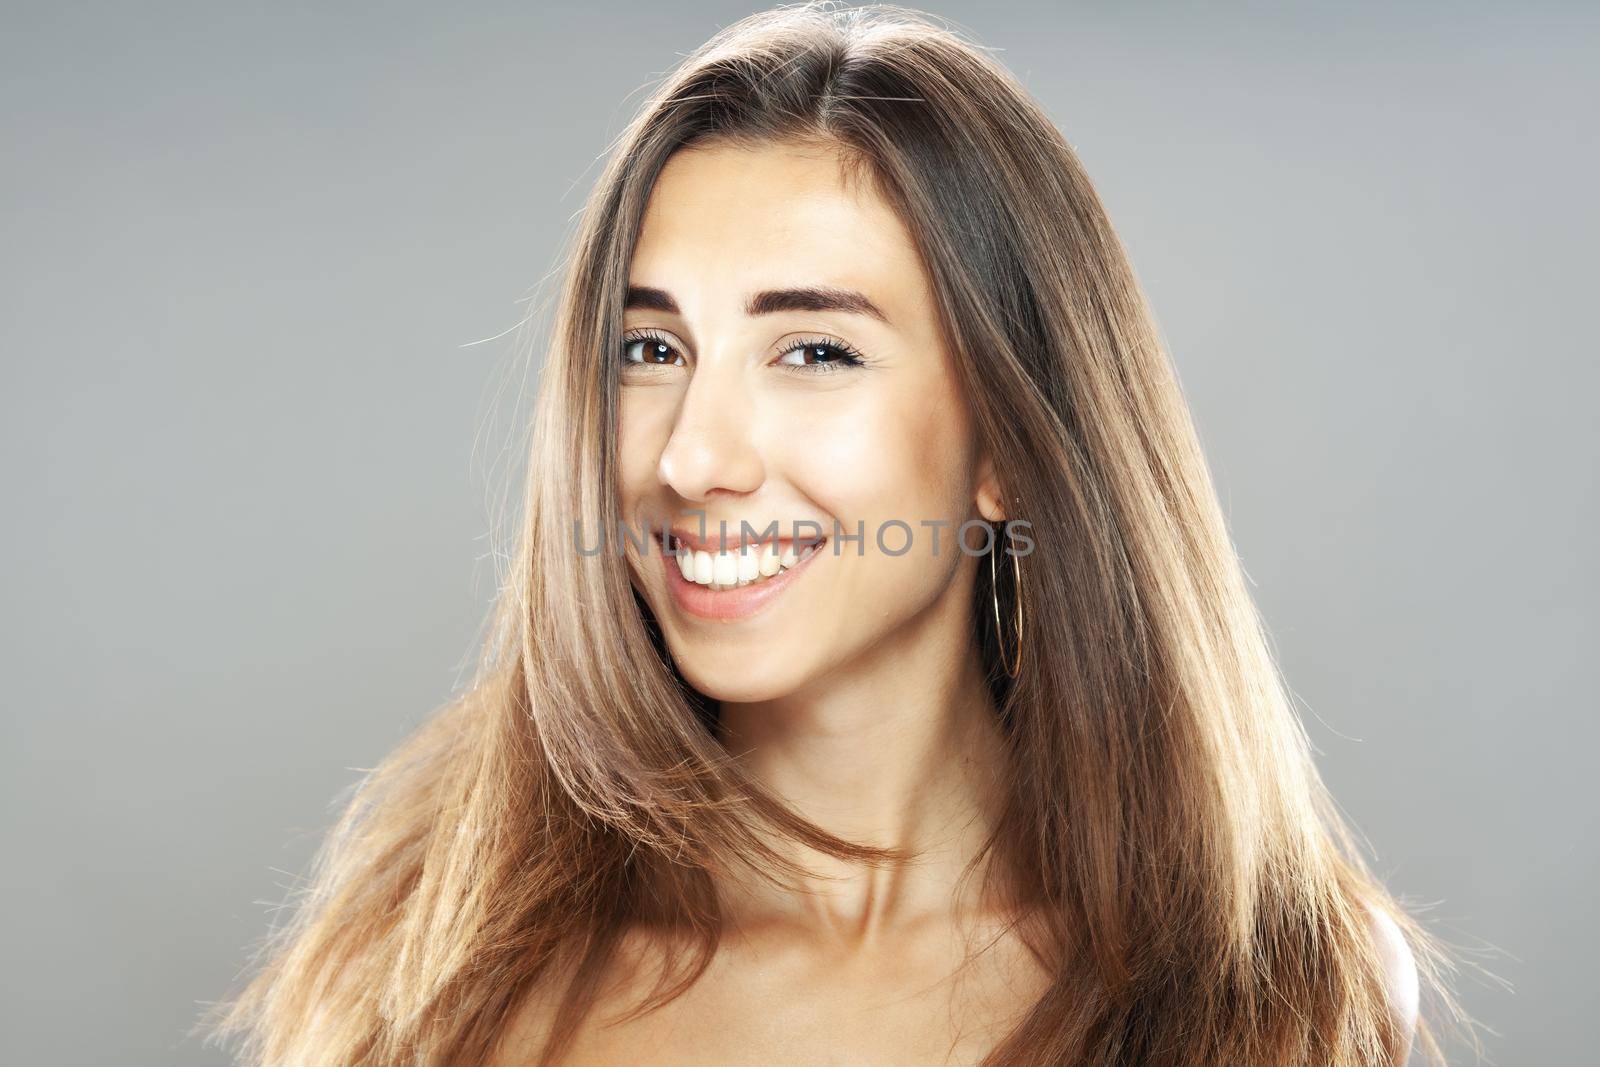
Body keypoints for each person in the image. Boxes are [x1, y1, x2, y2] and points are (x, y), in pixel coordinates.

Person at [207, 4, 1470, 1064]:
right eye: (649, 348)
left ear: (1005, 449)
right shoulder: (433, 979)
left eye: (813, 349)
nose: (694, 456)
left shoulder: (1274, 999)